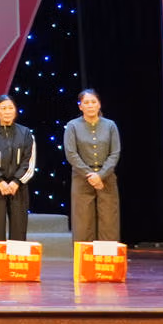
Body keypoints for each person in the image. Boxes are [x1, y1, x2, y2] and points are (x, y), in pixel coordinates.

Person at [63, 89, 121, 242]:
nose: (90, 105)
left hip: (106, 177)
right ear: (80, 106)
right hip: (82, 178)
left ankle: (106, 254)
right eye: (86, 102)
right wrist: (90, 175)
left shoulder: (110, 125)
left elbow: (115, 153)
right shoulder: (72, 126)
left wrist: (100, 175)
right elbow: (71, 153)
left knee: (109, 221)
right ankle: (85, 256)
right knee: (83, 223)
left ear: (99, 104)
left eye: (93, 102)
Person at [0, 94, 36, 244]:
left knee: (19, 229)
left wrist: (16, 181)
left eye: (11, 108)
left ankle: (16, 259)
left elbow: (28, 161)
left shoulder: (26, 133)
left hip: (18, 187)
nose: (7, 111)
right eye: (3, 108)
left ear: (15, 110)